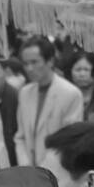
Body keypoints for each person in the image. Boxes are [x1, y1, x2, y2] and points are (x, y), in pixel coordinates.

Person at [14, 35, 86, 169]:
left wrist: (44, 170)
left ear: (50, 61)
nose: (29, 68)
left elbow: (69, 142)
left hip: (57, 171)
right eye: (25, 63)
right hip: (29, 172)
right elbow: (20, 137)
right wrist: (26, 167)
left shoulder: (70, 93)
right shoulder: (24, 93)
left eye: (34, 62)